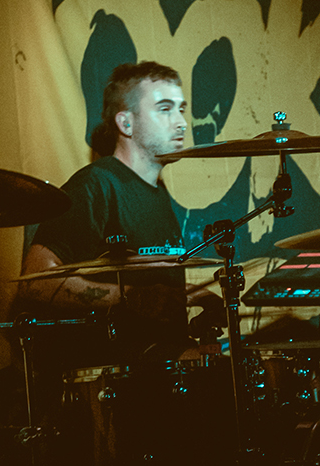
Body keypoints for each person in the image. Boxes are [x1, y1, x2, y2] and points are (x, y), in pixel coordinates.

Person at [17, 61, 191, 348]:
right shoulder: (96, 185)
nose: (181, 122)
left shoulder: (158, 192)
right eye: (164, 109)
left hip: (165, 362)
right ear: (126, 123)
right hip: (120, 368)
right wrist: (130, 297)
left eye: (181, 109)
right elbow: (34, 282)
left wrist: (194, 296)